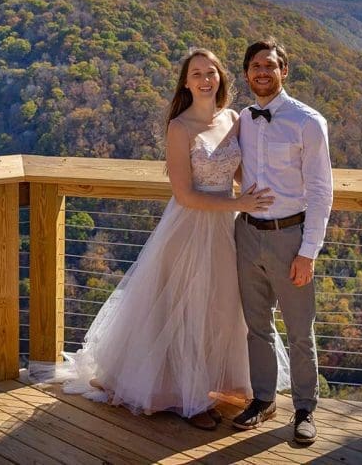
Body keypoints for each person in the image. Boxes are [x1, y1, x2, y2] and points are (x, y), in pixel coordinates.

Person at [62, 48, 289, 430]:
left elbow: (236, 172)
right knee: (185, 309)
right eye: (196, 73)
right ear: (186, 82)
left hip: (228, 229)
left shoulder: (233, 118)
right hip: (189, 228)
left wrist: (273, 193)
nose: (204, 79)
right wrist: (240, 201)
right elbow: (185, 194)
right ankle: (187, 397)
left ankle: (218, 385)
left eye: (210, 72)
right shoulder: (179, 127)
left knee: (222, 309)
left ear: (221, 78)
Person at [232, 38, 333, 444]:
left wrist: (308, 252)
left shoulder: (308, 122)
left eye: (270, 65)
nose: (262, 72)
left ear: (284, 70)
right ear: (246, 73)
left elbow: (322, 192)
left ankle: (305, 408)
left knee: (299, 329)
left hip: (290, 236)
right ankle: (263, 398)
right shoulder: (242, 116)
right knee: (256, 326)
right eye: (255, 66)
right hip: (246, 233)